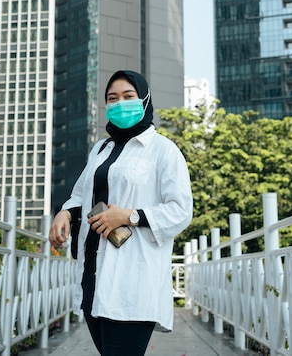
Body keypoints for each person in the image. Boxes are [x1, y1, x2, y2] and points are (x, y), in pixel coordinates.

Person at [49, 70, 193, 356]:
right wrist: (65, 213)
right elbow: (81, 193)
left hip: (132, 279)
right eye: (112, 99)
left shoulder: (164, 150)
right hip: (93, 273)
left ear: (145, 100)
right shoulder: (100, 149)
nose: (120, 104)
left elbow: (181, 211)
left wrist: (130, 216)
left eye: (129, 97)